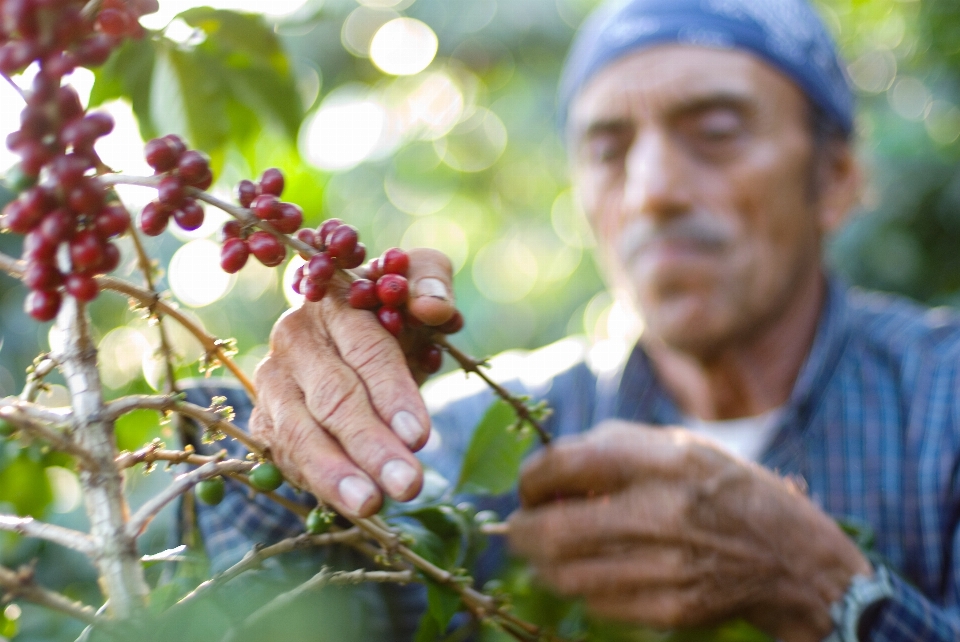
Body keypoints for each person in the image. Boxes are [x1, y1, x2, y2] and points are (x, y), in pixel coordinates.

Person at [184, 0, 960, 639]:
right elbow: (302, 589)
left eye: (716, 133)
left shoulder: (941, 404)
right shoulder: (509, 432)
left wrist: (833, 593)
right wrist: (310, 428)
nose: (653, 189)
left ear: (836, 180)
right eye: (607, 147)